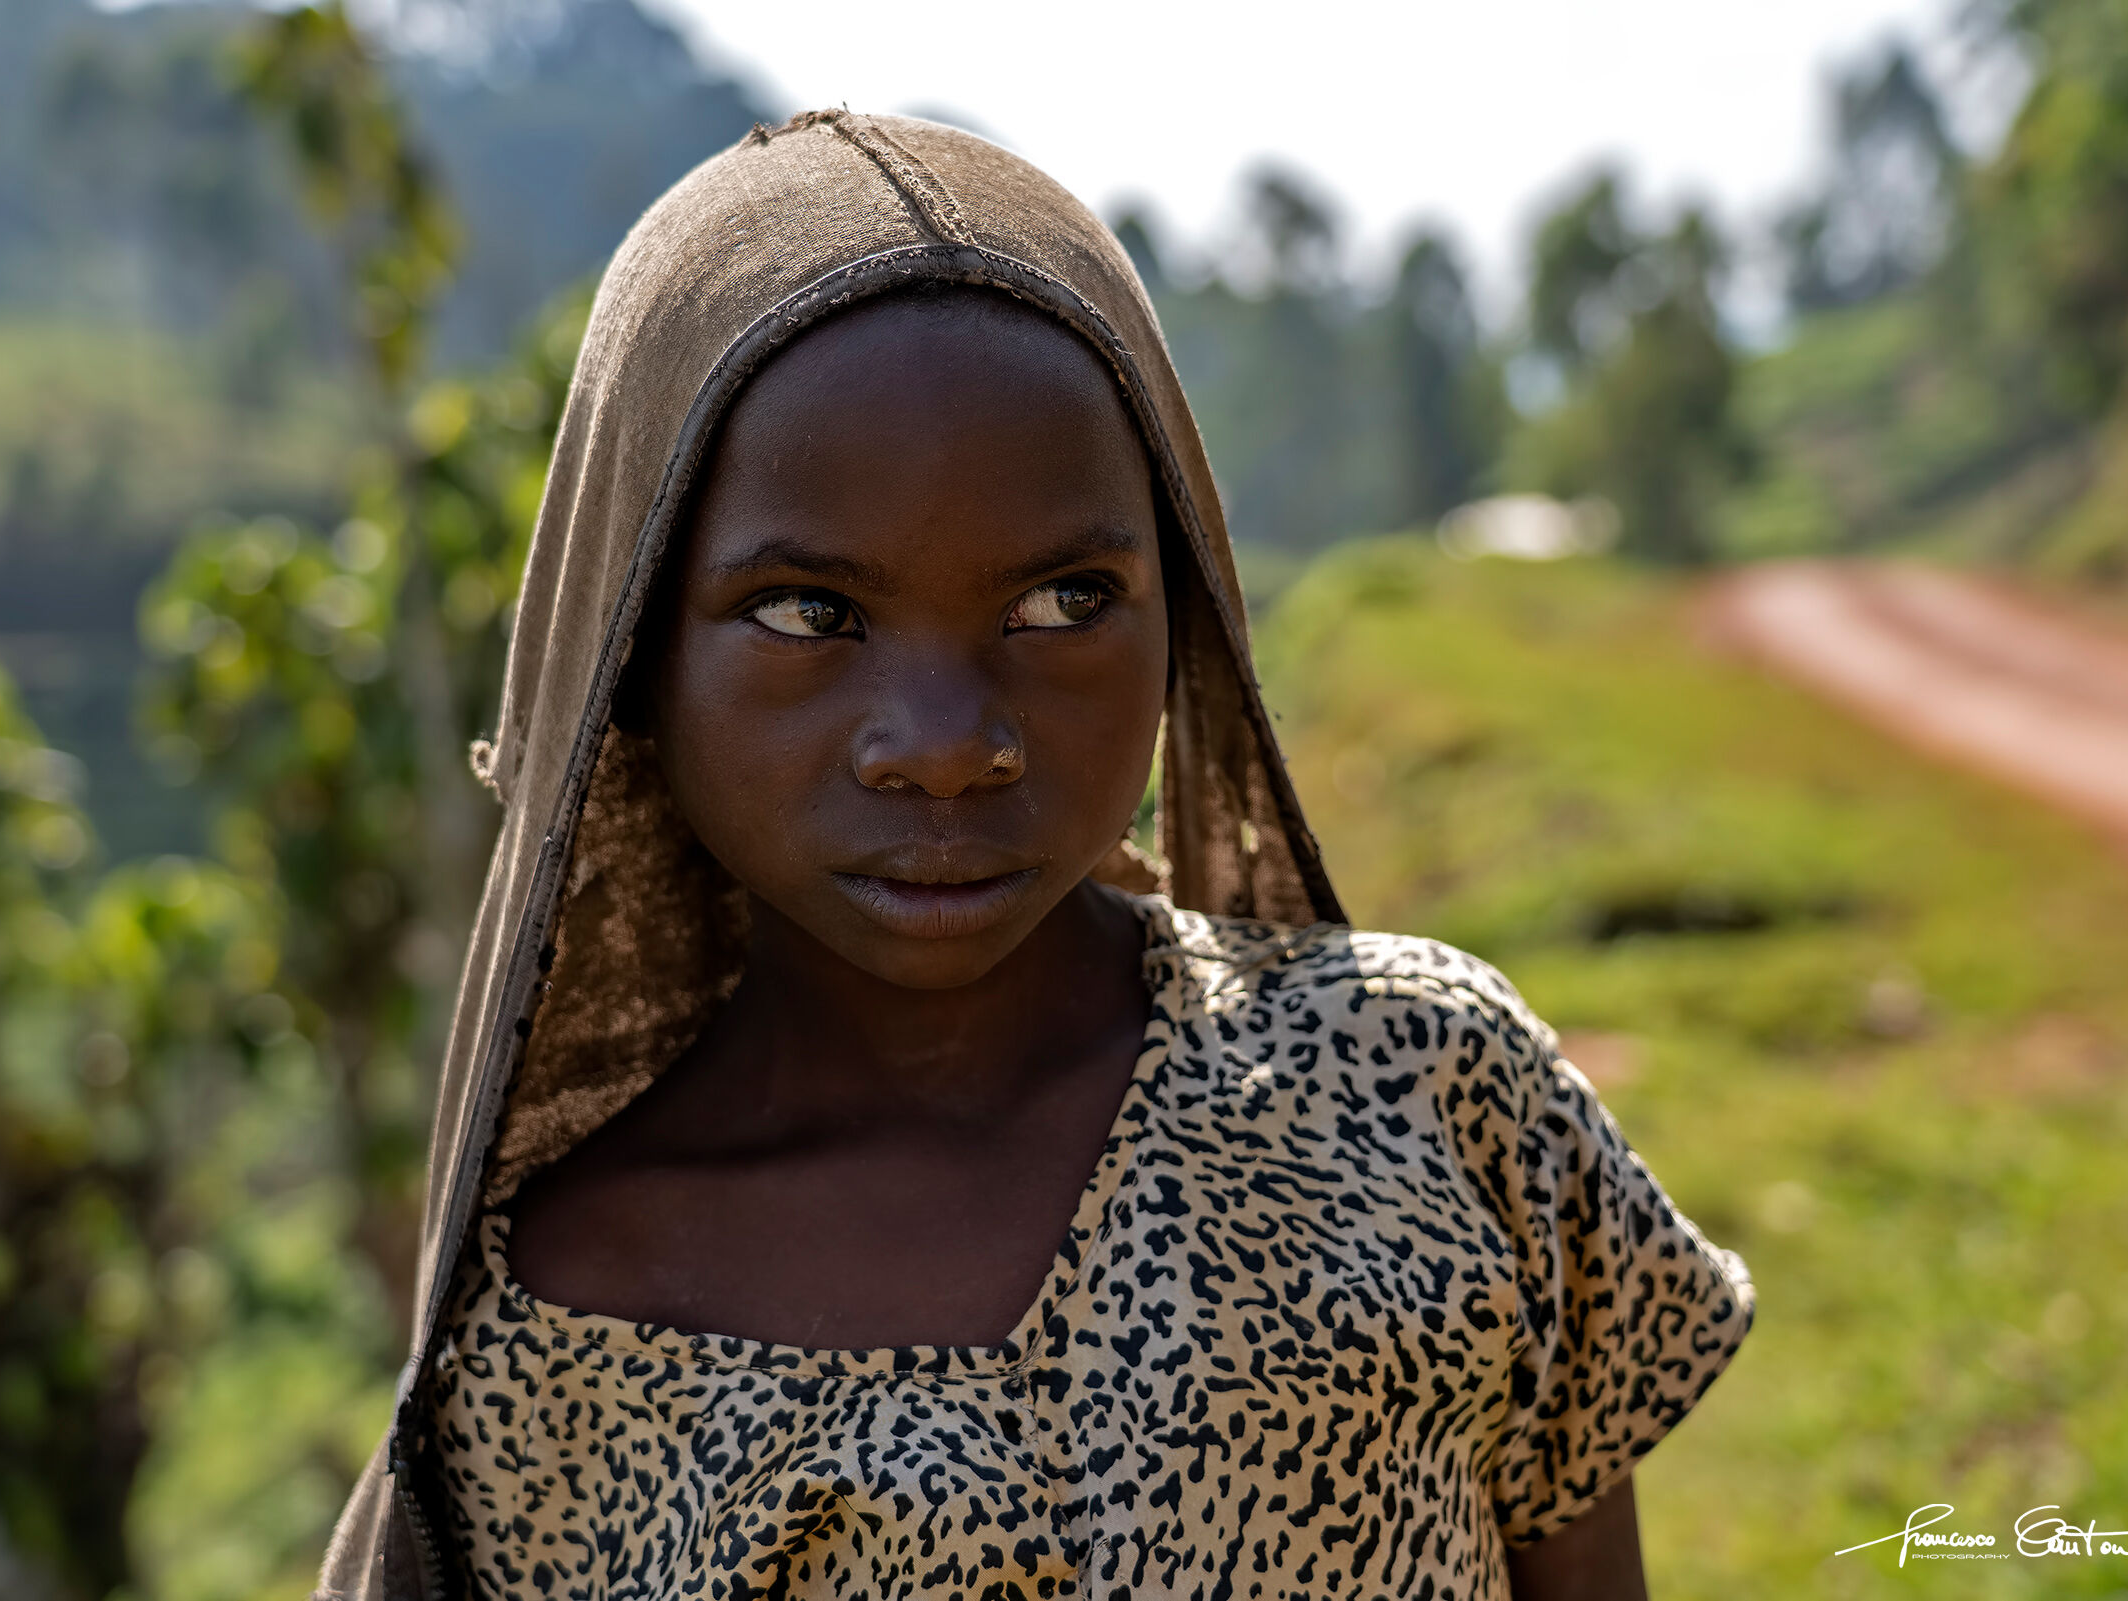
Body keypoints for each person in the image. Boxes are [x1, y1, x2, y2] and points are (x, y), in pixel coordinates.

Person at [317, 111, 1754, 1601]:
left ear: (1183, 606)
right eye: (812, 613)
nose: (946, 743)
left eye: (1065, 600)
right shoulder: (551, 1348)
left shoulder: (1418, 1097)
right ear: (630, 666)